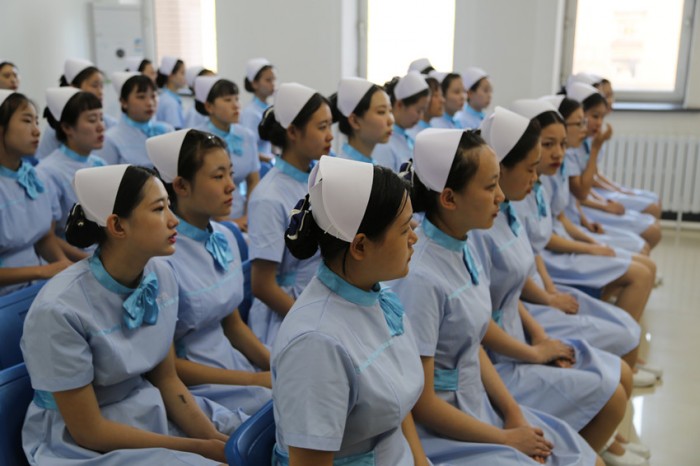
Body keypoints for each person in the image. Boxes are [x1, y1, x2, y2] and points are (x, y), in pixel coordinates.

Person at [394, 127, 600, 465]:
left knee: (580, 455)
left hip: (477, 399)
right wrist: (506, 438)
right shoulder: (420, 278)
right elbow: (424, 403)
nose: (501, 197)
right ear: (449, 198)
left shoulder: (461, 244)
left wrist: (513, 413)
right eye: (491, 187)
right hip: (443, 429)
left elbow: (471, 342)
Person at [21, 164, 236, 465]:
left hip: (146, 408)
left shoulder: (161, 274)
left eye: (169, 206)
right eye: (159, 209)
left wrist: (212, 440)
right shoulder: (59, 309)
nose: (174, 220)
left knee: (245, 439)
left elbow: (168, 380)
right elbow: (88, 431)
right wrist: (197, 448)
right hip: (79, 440)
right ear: (118, 226)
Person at [470, 107, 646, 465]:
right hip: (499, 358)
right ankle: (595, 442)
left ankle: (599, 439)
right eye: (531, 167)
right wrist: (535, 348)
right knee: (610, 384)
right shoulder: (476, 230)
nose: (537, 177)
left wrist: (539, 334)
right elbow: (477, 322)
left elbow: (510, 288)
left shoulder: (506, 210)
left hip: (520, 330)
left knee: (619, 365)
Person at [272, 155, 429, 466]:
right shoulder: (316, 344)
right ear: (360, 246)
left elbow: (398, 405)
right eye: (403, 230)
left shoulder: (376, 295)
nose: (415, 237)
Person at [509, 99, 654, 385]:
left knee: (627, 318)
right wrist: (550, 295)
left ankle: (623, 357)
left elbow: (548, 229)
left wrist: (589, 239)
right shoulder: (515, 197)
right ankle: (621, 359)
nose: (558, 152)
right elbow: (532, 253)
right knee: (637, 280)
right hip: (546, 271)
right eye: (548, 144)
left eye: (562, 143)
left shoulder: (535, 185)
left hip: (542, 277)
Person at [147, 129, 272, 420]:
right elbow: (165, 369)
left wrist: (274, 365)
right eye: (218, 177)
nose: (231, 186)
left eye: (231, 174)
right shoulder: (159, 258)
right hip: (193, 386)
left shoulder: (224, 235)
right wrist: (254, 380)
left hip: (232, 366)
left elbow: (233, 324)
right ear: (181, 185)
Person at [247, 83, 332, 345]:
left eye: (330, 126)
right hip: (286, 313)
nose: (330, 136)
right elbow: (262, 286)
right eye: (322, 127)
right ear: (293, 132)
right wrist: (308, 323)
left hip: (320, 299)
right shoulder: (268, 197)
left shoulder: (319, 177)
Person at [564, 83, 661, 250]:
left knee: (651, 224)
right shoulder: (569, 151)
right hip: (577, 215)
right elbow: (580, 192)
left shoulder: (582, 143)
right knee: (650, 231)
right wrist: (604, 204)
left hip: (579, 213)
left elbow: (587, 183)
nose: (599, 123)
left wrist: (614, 193)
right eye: (594, 116)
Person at [0, 90, 71, 296]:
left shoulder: (35, 177)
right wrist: (42, 271)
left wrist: (65, 267)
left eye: (37, 122)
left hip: (35, 288)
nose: (37, 131)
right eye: (26, 121)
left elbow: (44, 238)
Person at [36, 87, 106, 261]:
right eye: (92, 120)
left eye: (101, 118)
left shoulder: (99, 163)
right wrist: (91, 262)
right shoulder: (48, 172)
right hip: (72, 262)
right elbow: (47, 237)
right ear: (67, 128)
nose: (100, 126)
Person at [193, 75, 260, 230]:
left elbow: (253, 180)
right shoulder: (197, 138)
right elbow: (198, 189)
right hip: (208, 220)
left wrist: (248, 216)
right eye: (228, 100)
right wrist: (226, 222)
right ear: (209, 106)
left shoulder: (247, 136)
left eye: (237, 99)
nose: (236, 105)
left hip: (242, 214)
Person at [37, 58, 117, 159]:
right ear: (73, 88)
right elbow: (43, 159)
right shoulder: (54, 128)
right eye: (94, 85)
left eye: (102, 86)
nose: (101, 92)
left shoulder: (111, 124)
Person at [98, 72, 174, 166]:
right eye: (141, 97)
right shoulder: (110, 139)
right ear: (124, 102)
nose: (150, 103)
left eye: (153, 96)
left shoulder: (167, 131)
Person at [373, 72, 429, 172]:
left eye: (423, 111)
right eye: (418, 111)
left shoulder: (407, 137)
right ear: (399, 104)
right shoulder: (384, 144)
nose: (420, 117)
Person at [331, 77, 393, 165]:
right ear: (355, 121)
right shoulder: (344, 168)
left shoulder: (371, 164)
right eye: (381, 112)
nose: (391, 120)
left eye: (390, 111)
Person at [240, 57, 276, 163]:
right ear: (254, 84)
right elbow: (248, 149)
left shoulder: (268, 108)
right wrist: (272, 160)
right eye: (268, 80)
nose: (273, 83)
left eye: (274, 79)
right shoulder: (251, 113)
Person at [407, 76, 444, 141]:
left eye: (441, 95)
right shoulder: (412, 134)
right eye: (436, 95)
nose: (442, 100)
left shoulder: (431, 129)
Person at [156, 56, 187, 129]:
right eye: (182, 73)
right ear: (171, 75)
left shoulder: (168, 97)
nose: (185, 77)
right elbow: (176, 131)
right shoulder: (169, 102)